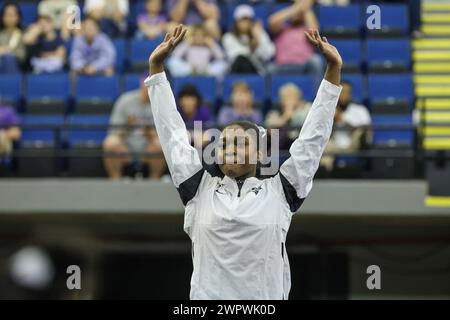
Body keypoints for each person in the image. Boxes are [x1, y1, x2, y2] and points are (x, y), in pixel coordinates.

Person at [146, 25, 343, 299]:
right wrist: (156, 70)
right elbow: (172, 134)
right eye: (224, 143)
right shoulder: (197, 189)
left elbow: (313, 139)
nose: (230, 149)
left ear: (261, 153)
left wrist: (332, 74)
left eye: (241, 143)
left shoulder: (281, 191)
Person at [103, 76, 166, 180]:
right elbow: (113, 132)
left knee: (160, 144)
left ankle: (154, 180)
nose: (149, 88)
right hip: (126, 146)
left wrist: (149, 133)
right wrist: (128, 126)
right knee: (110, 143)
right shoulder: (125, 100)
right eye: (147, 84)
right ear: (142, 83)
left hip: (147, 147)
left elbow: (164, 135)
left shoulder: (160, 104)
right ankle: (115, 179)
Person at [320, 80, 372, 173]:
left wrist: (342, 119)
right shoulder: (330, 110)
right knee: (326, 145)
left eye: (347, 92)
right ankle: (325, 174)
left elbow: (367, 130)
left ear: (351, 94)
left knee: (362, 131)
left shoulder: (360, 110)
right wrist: (332, 120)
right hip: (334, 144)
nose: (344, 95)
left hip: (353, 144)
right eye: (342, 92)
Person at [269, 0, 323, 83]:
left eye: (299, 13)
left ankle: (318, 95)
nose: (296, 15)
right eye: (295, 13)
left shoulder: (306, 28)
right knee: (269, 68)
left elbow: (315, 32)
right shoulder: (282, 28)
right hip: (282, 66)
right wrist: (296, 8)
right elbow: (272, 21)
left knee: (316, 61)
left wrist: (305, 9)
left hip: (304, 65)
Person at [222, 4, 275, 75]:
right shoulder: (228, 37)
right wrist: (252, 49)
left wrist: (257, 39)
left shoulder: (259, 33)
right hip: (236, 71)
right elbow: (234, 57)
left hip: (256, 71)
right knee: (241, 61)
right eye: (242, 20)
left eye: (248, 20)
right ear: (236, 22)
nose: (245, 23)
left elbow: (269, 54)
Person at [265, 83, 312, 149]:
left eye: (293, 97)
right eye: (286, 97)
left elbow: (308, 123)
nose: (290, 100)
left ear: (298, 99)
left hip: (301, 146)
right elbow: (269, 126)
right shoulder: (275, 112)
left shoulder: (306, 108)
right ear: (281, 100)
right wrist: (285, 117)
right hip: (281, 148)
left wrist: (293, 115)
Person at [0, 2, 25, 73]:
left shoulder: (23, 33)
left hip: (18, 66)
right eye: (6, 15)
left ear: (18, 17)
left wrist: (5, 50)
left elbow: (22, 55)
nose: (9, 18)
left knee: (8, 58)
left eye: (12, 15)